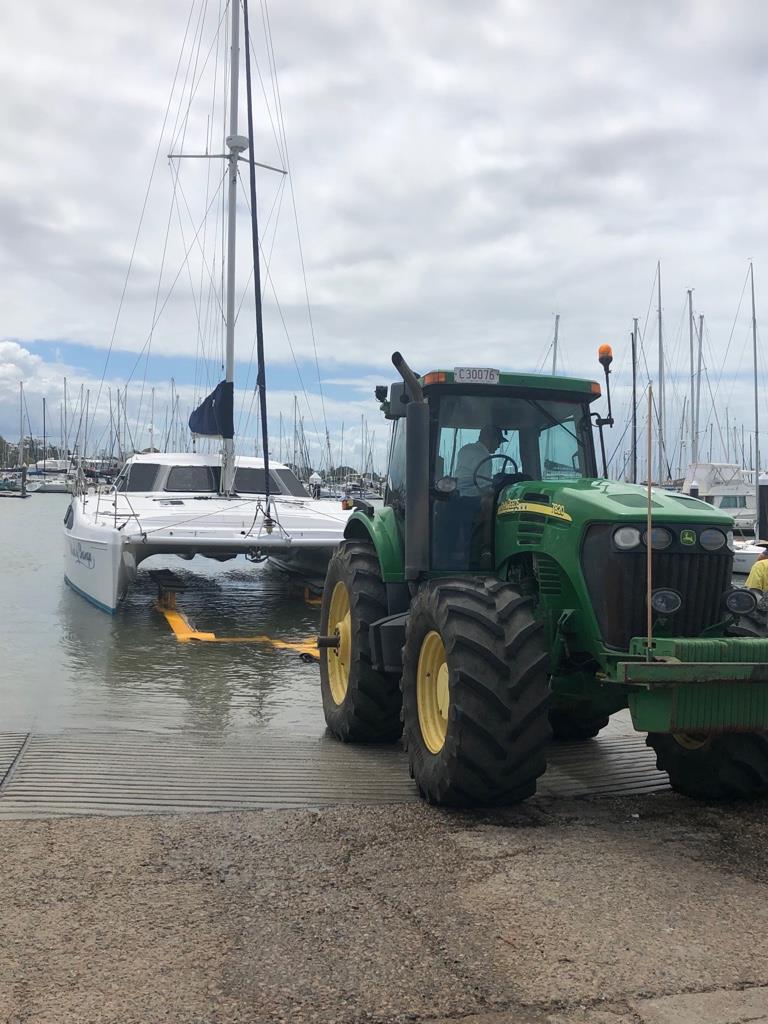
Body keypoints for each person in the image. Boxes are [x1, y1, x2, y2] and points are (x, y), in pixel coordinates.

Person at [454, 425, 505, 496]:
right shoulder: (485, 456)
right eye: (498, 441)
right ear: (489, 439)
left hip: (458, 492)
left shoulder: (465, 449)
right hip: (475, 497)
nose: (499, 446)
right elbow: (485, 485)